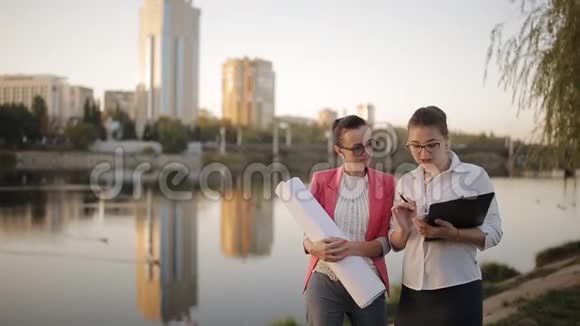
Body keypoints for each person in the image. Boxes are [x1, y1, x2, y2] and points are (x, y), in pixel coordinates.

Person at [390, 106, 503, 326]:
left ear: (446, 139)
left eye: (432, 144)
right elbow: (395, 244)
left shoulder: (474, 176)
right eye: (415, 145)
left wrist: (455, 234)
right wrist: (403, 229)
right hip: (412, 293)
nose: (423, 153)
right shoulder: (405, 182)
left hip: (458, 289)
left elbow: (495, 233)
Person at [303, 115, 395, 326]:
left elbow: (386, 242)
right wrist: (313, 248)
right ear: (339, 151)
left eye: (370, 144)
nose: (367, 153)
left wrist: (349, 248)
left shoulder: (388, 184)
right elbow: (308, 232)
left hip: (369, 280)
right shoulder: (320, 180)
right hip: (325, 279)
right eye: (358, 148)